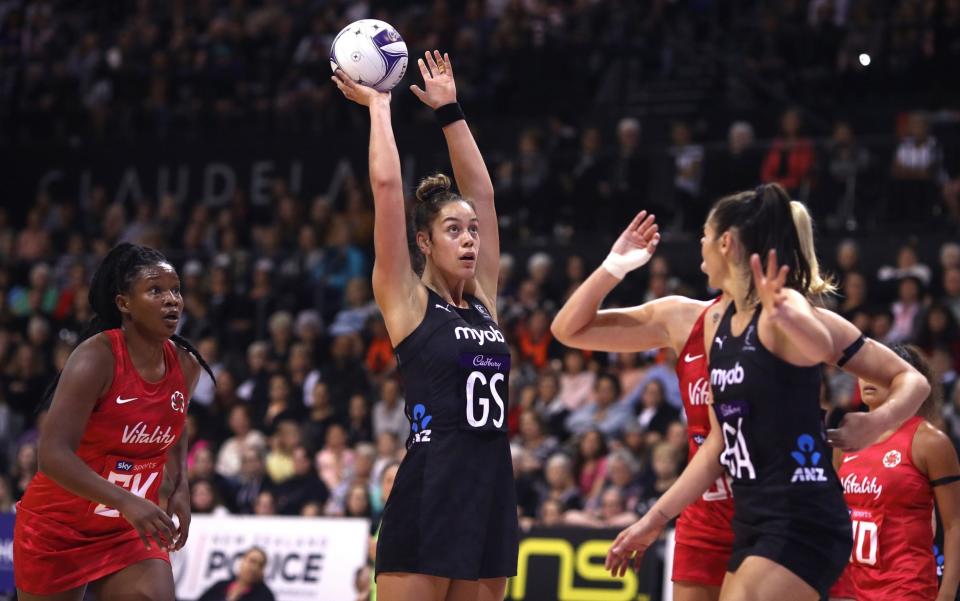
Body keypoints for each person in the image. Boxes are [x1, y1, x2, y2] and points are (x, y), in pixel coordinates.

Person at [560, 185, 929, 600]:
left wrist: (875, 422)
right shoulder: (714, 321)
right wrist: (652, 520)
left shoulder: (786, 312)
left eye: (704, 233)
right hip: (744, 515)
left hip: (798, 511)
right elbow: (719, 442)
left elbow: (829, 351)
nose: (697, 243)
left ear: (726, 243)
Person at [332, 50, 517, 601]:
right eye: (453, 230)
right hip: (432, 480)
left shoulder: (484, 297)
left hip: (490, 483)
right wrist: (380, 107)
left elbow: (481, 194)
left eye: (472, 232)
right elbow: (388, 191)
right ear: (423, 242)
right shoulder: (405, 299)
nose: (468, 239)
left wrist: (451, 112)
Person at [14, 243, 214, 601]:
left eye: (176, 290)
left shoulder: (186, 364)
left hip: (127, 527)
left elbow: (176, 425)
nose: (172, 300)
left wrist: (181, 483)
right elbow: (52, 455)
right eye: (156, 290)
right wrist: (127, 500)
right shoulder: (96, 358)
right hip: (59, 526)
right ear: (124, 303)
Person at [831, 345, 959, 601]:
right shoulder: (845, 438)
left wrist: (946, 594)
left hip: (906, 586)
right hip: (851, 586)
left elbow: (954, 523)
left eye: (880, 372)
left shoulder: (929, 441)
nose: (868, 378)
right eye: (863, 370)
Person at [197, 547, 276, 601]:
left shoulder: (265, 596)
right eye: (252, 561)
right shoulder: (220, 585)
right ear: (242, 561)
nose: (254, 568)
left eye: (260, 565)